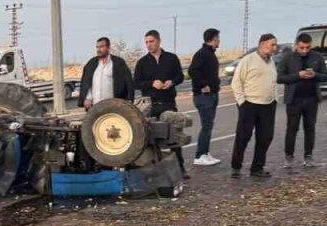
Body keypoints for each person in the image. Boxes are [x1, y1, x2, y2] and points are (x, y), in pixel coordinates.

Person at [134, 29, 189, 177]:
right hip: (151, 105)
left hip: (169, 102)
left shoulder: (171, 58)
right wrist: (152, 83)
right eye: (146, 42)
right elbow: (136, 83)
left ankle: (181, 168)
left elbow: (180, 76)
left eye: (151, 41)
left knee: (174, 136)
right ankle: (156, 170)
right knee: (152, 139)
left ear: (158, 41)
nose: (149, 45)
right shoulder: (142, 62)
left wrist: (172, 82)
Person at [229, 34, 279, 178]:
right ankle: (236, 167)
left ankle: (257, 168)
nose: (275, 48)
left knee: (265, 137)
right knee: (243, 137)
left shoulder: (271, 62)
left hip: (268, 105)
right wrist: (242, 102)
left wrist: (275, 98)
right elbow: (236, 82)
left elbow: (273, 81)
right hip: (249, 104)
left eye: (275, 45)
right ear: (262, 44)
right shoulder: (248, 60)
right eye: (272, 45)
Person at [276, 33, 327, 168]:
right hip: (294, 99)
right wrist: (297, 75)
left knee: (310, 128)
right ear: (296, 45)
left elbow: (325, 76)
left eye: (307, 47)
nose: (305, 50)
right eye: (302, 48)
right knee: (292, 128)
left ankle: (308, 156)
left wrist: (315, 75)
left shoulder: (317, 57)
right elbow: (279, 78)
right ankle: (289, 156)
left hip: (312, 98)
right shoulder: (287, 58)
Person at [188, 28, 223, 166]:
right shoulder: (202, 54)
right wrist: (203, 85)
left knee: (209, 125)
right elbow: (192, 71)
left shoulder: (210, 54)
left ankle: (205, 152)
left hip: (212, 94)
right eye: (218, 38)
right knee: (206, 125)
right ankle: (199, 155)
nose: (219, 40)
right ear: (213, 39)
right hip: (203, 96)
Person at [79, 36, 134, 108]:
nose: (98, 49)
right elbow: (85, 82)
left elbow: (128, 81)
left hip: (114, 105)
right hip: (95, 106)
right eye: (97, 47)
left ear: (108, 47)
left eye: (101, 46)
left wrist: (129, 99)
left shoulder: (118, 63)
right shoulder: (91, 63)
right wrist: (87, 98)